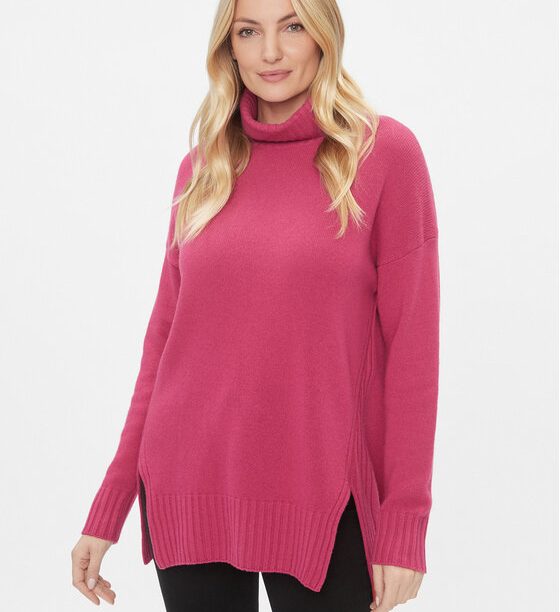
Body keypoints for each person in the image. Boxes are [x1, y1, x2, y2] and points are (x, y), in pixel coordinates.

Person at [70, 0, 440, 610]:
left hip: (324, 494)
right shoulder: (203, 169)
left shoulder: (383, 155)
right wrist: (109, 506)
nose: (270, 52)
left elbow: (413, 354)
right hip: (189, 481)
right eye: (249, 31)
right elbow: (164, 346)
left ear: (323, 36)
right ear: (229, 47)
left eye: (292, 26)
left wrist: (405, 524)